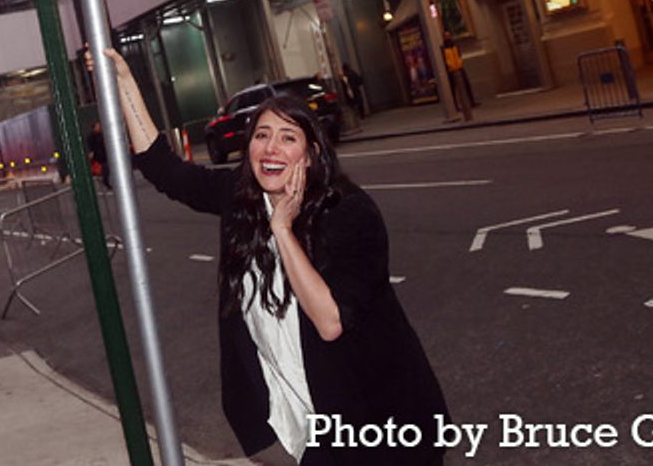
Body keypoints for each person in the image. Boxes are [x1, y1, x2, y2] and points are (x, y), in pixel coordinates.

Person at [102, 49, 447, 465]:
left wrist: (283, 230)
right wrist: (123, 81)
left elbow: (330, 321)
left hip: (380, 421)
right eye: (261, 135)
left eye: (288, 138)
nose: (271, 148)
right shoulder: (241, 198)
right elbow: (165, 169)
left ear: (312, 154)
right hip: (302, 423)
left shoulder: (349, 213)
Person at [441, 33, 474, 119]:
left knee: (466, 84)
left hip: (459, 67)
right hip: (451, 69)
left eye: (449, 35)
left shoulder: (454, 45)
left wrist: (460, 63)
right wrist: (449, 67)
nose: (448, 37)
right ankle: (455, 106)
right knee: (453, 88)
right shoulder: (443, 48)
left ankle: (471, 102)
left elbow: (459, 55)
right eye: (446, 36)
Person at [87, 122, 111, 191]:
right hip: (99, 155)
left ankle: (105, 180)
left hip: (103, 154)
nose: (99, 127)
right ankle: (105, 181)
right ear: (94, 127)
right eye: (97, 126)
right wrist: (92, 152)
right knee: (104, 167)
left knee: (105, 168)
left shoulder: (100, 134)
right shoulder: (92, 136)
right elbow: (91, 145)